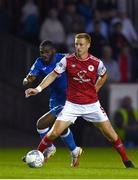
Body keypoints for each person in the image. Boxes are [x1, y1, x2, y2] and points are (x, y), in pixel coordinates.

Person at [25, 33, 135, 168]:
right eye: (76, 44)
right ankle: (38, 155)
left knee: (111, 135)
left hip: (92, 105)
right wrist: (38, 89)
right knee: (53, 133)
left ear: (88, 45)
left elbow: (104, 75)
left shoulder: (96, 62)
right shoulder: (67, 60)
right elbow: (53, 75)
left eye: (81, 44)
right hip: (72, 104)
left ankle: (126, 161)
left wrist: (96, 89)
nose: (78, 47)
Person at [23, 40, 79, 162]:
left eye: (47, 52)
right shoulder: (39, 62)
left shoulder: (64, 58)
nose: (44, 54)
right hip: (55, 98)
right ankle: (75, 151)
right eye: (41, 52)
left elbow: (80, 65)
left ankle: (48, 148)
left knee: (41, 124)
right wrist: (28, 80)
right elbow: (31, 76)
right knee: (62, 128)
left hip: (69, 99)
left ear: (54, 51)